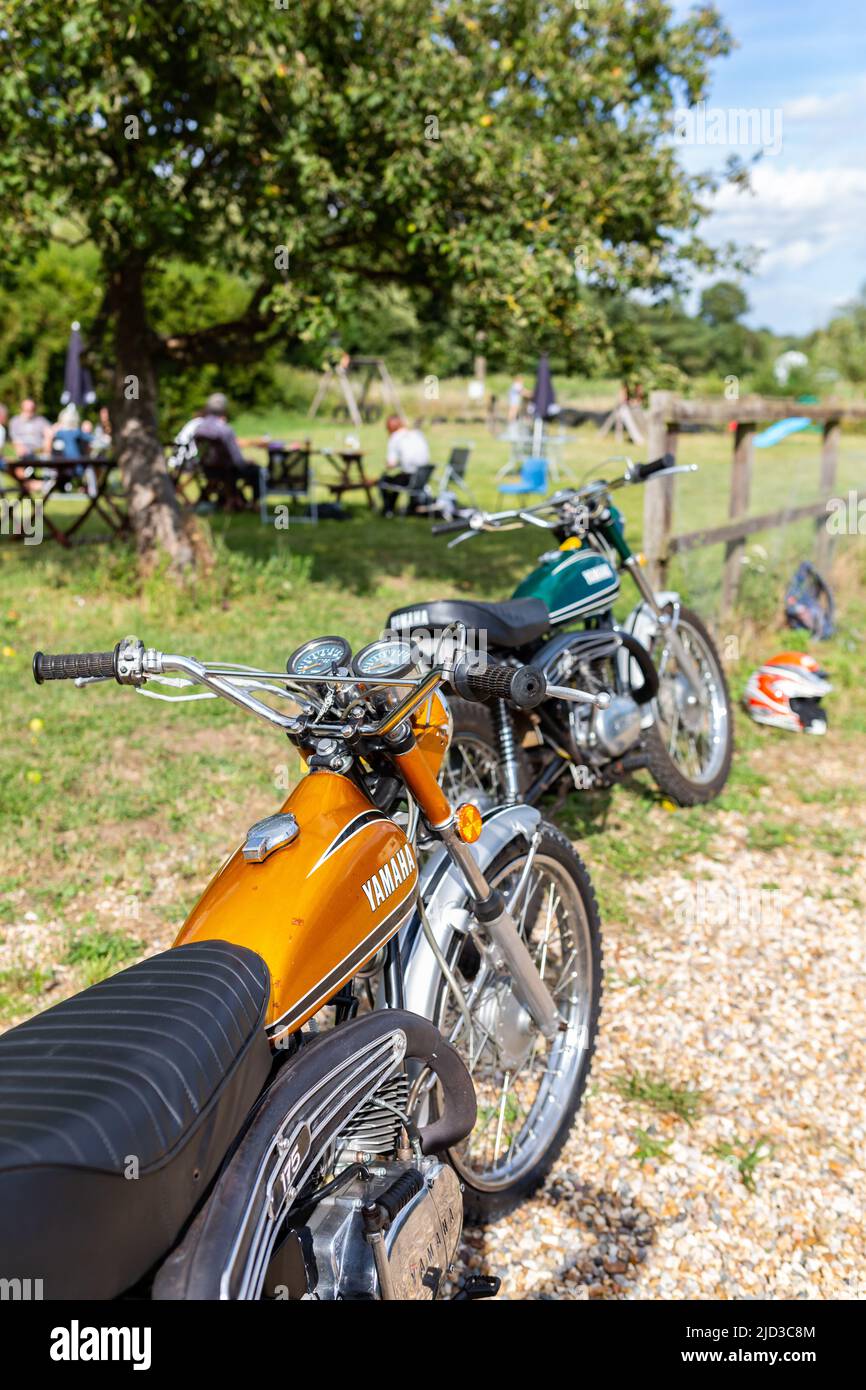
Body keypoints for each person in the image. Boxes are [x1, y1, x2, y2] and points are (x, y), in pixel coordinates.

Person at [193, 392, 264, 502]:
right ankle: (255, 503)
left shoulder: (199, 428)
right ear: (224, 409)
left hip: (207, 469)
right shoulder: (225, 429)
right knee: (256, 470)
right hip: (227, 471)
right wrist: (247, 462)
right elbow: (237, 459)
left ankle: (229, 498)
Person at [379, 414, 430, 516]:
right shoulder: (417, 434)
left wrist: (391, 465)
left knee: (384, 480)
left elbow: (391, 463)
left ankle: (388, 509)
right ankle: (393, 508)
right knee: (398, 478)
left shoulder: (395, 438)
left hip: (410, 478)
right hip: (423, 476)